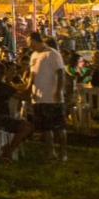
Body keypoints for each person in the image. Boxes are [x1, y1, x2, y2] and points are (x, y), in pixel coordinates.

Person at [27, 31, 68, 161]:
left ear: (35, 40)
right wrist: (28, 89)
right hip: (38, 97)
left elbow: (61, 73)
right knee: (46, 128)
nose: (29, 46)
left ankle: (63, 153)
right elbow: (32, 74)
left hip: (52, 98)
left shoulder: (52, 54)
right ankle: (50, 152)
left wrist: (58, 91)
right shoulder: (34, 55)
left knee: (59, 127)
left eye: (30, 43)